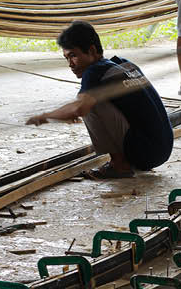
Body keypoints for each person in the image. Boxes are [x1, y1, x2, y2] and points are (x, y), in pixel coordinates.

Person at [26, 22, 173, 179]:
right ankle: (127, 159)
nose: (70, 64)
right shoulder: (124, 63)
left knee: (89, 103)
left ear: (91, 51)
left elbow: (79, 109)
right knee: (91, 99)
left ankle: (119, 165)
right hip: (163, 150)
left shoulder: (94, 71)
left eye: (73, 56)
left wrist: (45, 117)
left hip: (146, 153)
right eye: (67, 58)